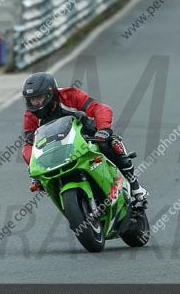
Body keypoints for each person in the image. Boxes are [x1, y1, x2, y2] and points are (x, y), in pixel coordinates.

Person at [21, 72, 148, 202]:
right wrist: (33, 163)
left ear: (50, 94)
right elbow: (30, 142)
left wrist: (103, 129)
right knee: (42, 180)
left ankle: (135, 185)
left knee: (112, 143)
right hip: (58, 148)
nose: (35, 103)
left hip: (85, 135)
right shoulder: (31, 115)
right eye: (32, 100)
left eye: (39, 98)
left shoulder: (69, 95)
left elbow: (99, 108)